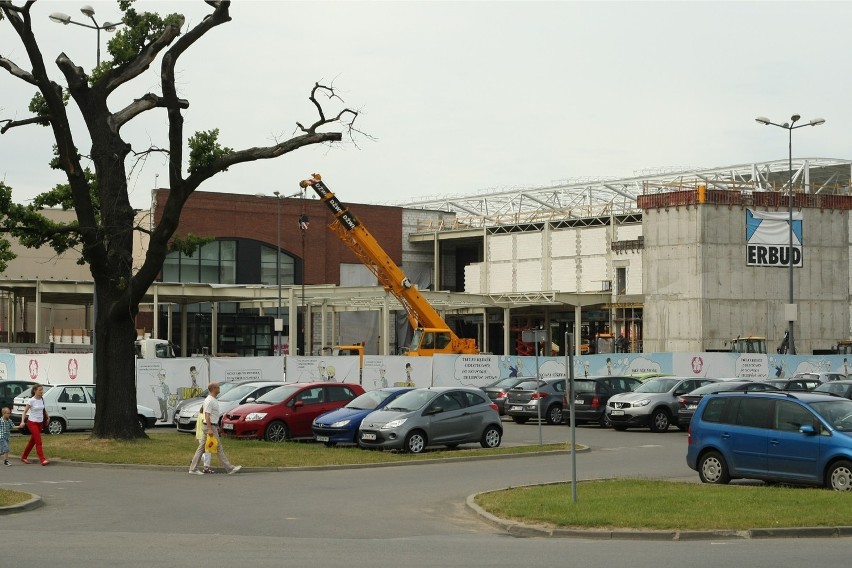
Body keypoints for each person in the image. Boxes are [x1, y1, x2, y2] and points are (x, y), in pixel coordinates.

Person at [188, 382, 241, 475]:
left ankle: (193, 468)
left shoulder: (213, 400)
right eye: (217, 387)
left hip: (212, 425)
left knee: (201, 448)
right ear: (213, 389)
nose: (219, 388)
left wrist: (216, 426)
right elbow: (207, 415)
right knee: (219, 447)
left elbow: (212, 415)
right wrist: (210, 429)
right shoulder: (209, 400)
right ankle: (230, 468)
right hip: (209, 426)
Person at [18, 384, 49, 465]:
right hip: (32, 423)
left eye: (42, 390)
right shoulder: (31, 400)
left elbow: (43, 409)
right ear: (35, 391)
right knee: (39, 441)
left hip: (40, 423)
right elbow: (24, 412)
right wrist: (22, 421)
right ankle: (42, 459)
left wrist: (48, 417)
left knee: (32, 442)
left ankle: (24, 457)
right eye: (40, 390)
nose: (42, 391)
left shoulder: (42, 399)